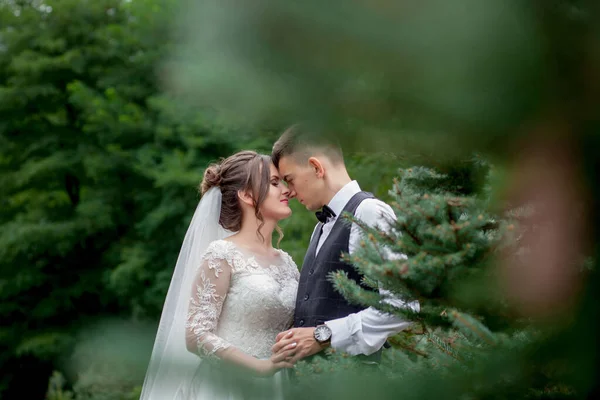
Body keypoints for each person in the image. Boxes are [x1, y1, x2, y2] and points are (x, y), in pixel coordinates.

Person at [140, 150, 300, 399]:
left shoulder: (287, 262)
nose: (287, 190)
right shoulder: (222, 254)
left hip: (277, 387)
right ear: (247, 195)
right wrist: (260, 367)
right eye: (274, 183)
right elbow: (196, 335)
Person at [271, 125, 419, 364]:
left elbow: (404, 305)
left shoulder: (369, 213)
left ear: (316, 167)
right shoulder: (320, 228)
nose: (290, 191)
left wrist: (324, 335)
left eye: (290, 179)